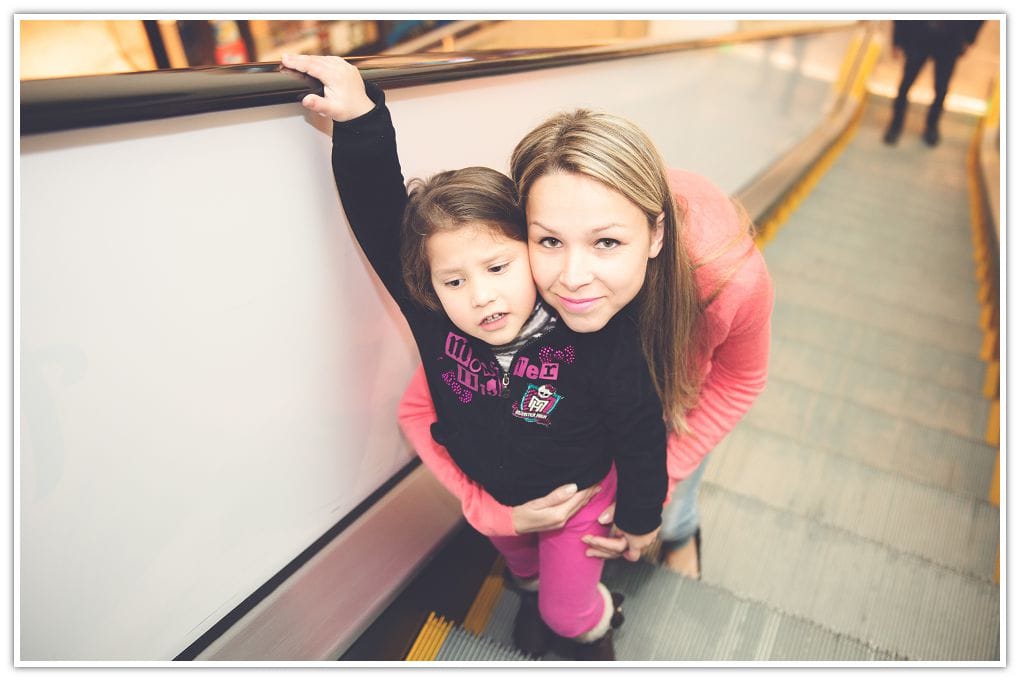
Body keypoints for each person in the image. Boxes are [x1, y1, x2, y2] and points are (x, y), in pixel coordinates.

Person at [280, 53, 667, 661]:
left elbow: (642, 428)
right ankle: (537, 592)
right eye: (454, 281)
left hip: (576, 502)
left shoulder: (588, 331)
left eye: (498, 267)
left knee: (566, 614)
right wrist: (360, 121)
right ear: (428, 286)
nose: (481, 295)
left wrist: (641, 516)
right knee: (525, 576)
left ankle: (590, 624)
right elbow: (383, 218)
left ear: (528, 250)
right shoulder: (436, 319)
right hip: (497, 501)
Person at [396, 90, 774, 586]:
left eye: (607, 243)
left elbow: (739, 381)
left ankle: (683, 533)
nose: (572, 277)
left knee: (674, 483)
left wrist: (653, 500)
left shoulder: (728, 281)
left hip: (679, 393)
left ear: (656, 235)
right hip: (589, 426)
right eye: (549, 240)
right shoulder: (511, 284)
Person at [883, 19, 984, 147]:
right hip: (919, 35)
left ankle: (931, 127)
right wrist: (897, 40)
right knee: (905, 84)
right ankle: (895, 125)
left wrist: (969, 38)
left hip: (950, 40)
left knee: (941, 89)